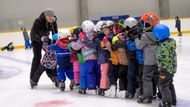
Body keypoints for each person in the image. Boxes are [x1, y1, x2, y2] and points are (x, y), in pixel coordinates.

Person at [135, 13, 160, 103]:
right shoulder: (158, 33)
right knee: (158, 77)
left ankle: (148, 96)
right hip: (158, 60)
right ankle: (162, 93)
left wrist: (136, 39)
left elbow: (139, 46)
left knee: (146, 78)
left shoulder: (145, 36)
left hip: (149, 62)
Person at [30, 8, 58, 83]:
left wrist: (55, 42)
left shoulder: (53, 21)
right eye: (48, 16)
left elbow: (55, 32)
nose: (50, 18)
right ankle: (32, 78)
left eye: (51, 16)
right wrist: (40, 38)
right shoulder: (38, 21)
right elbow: (33, 34)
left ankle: (52, 75)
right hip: (36, 40)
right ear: (45, 16)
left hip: (46, 39)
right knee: (37, 57)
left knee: (51, 55)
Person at [152, 24, 177, 107]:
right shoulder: (170, 43)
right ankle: (173, 101)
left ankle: (167, 102)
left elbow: (164, 59)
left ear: (159, 35)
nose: (155, 37)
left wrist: (162, 70)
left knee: (163, 85)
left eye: (155, 35)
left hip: (165, 70)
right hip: (171, 69)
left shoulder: (162, 46)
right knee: (169, 84)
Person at [123, 17, 139, 99]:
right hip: (138, 58)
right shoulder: (139, 31)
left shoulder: (130, 34)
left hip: (133, 57)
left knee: (131, 75)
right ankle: (138, 91)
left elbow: (132, 47)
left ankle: (131, 91)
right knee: (138, 75)